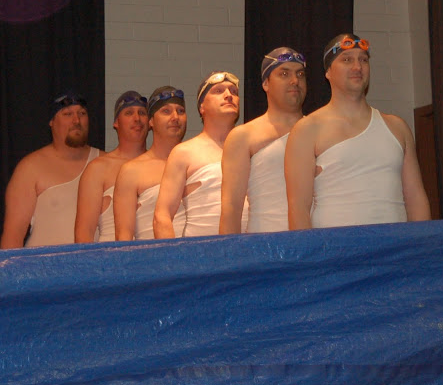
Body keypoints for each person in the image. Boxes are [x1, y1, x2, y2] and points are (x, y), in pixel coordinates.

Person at [285, 33, 431, 229]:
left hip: (395, 244)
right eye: (347, 60)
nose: (357, 67)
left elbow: (416, 198)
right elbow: (298, 208)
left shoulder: (397, 128)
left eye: (363, 60)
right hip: (337, 246)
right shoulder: (307, 129)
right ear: (328, 71)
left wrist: (423, 244)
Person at [219, 47, 307, 234]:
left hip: (314, 242)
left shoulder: (319, 132)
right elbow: (231, 208)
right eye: (284, 74)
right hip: (263, 243)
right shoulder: (244, 136)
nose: (295, 80)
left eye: (300, 74)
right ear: (266, 83)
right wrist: (229, 251)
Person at [0, 90, 102, 248]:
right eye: (67, 114)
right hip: (43, 263)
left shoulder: (106, 163)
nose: (76, 120)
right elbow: (13, 236)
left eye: (82, 113)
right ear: (52, 122)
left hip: (95, 262)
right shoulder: (30, 168)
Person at [153, 71, 244, 238]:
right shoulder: (184, 153)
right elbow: (162, 215)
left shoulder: (251, 150)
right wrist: (171, 253)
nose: (229, 95)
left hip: (250, 248)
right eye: (218, 91)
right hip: (200, 250)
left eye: (234, 91)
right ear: (202, 107)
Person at [113, 86, 187, 240]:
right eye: (166, 111)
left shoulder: (195, 162)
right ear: (151, 121)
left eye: (180, 111)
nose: (175, 117)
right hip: (152, 254)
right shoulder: (132, 171)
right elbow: (124, 236)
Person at [74, 91, 148, 243]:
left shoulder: (161, 165)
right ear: (116, 123)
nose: (137, 118)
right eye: (129, 113)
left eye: (142, 113)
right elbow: (84, 233)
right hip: (111, 254)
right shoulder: (98, 169)